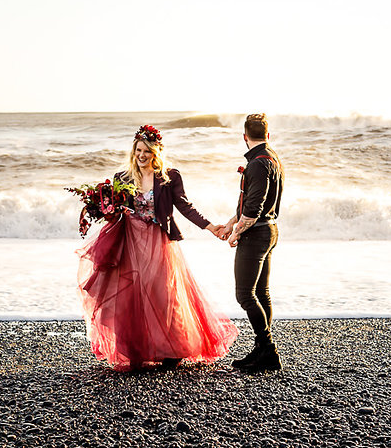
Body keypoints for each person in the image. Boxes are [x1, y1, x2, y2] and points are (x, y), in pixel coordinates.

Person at [76, 125, 238, 371]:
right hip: (130, 241)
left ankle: (172, 349)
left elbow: (185, 207)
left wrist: (210, 226)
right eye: (138, 150)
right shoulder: (122, 178)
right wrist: (101, 209)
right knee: (132, 295)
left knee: (164, 294)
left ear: (156, 153)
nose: (142, 155)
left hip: (159, 240)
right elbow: (115, 211)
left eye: (147, 151)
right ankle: (136, 349)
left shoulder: (169, 176)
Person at [219, 113, 285, 373]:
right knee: (261, 293)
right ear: (267, 135)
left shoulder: (257, 164)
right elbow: (251, 204)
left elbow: (253, 209)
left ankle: (268, 350)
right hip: (269, 231)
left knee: (245, 295)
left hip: (256, 234)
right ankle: (262, 349)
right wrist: (229, 223)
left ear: (244, 136)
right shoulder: (273, 158)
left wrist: (235, 233)